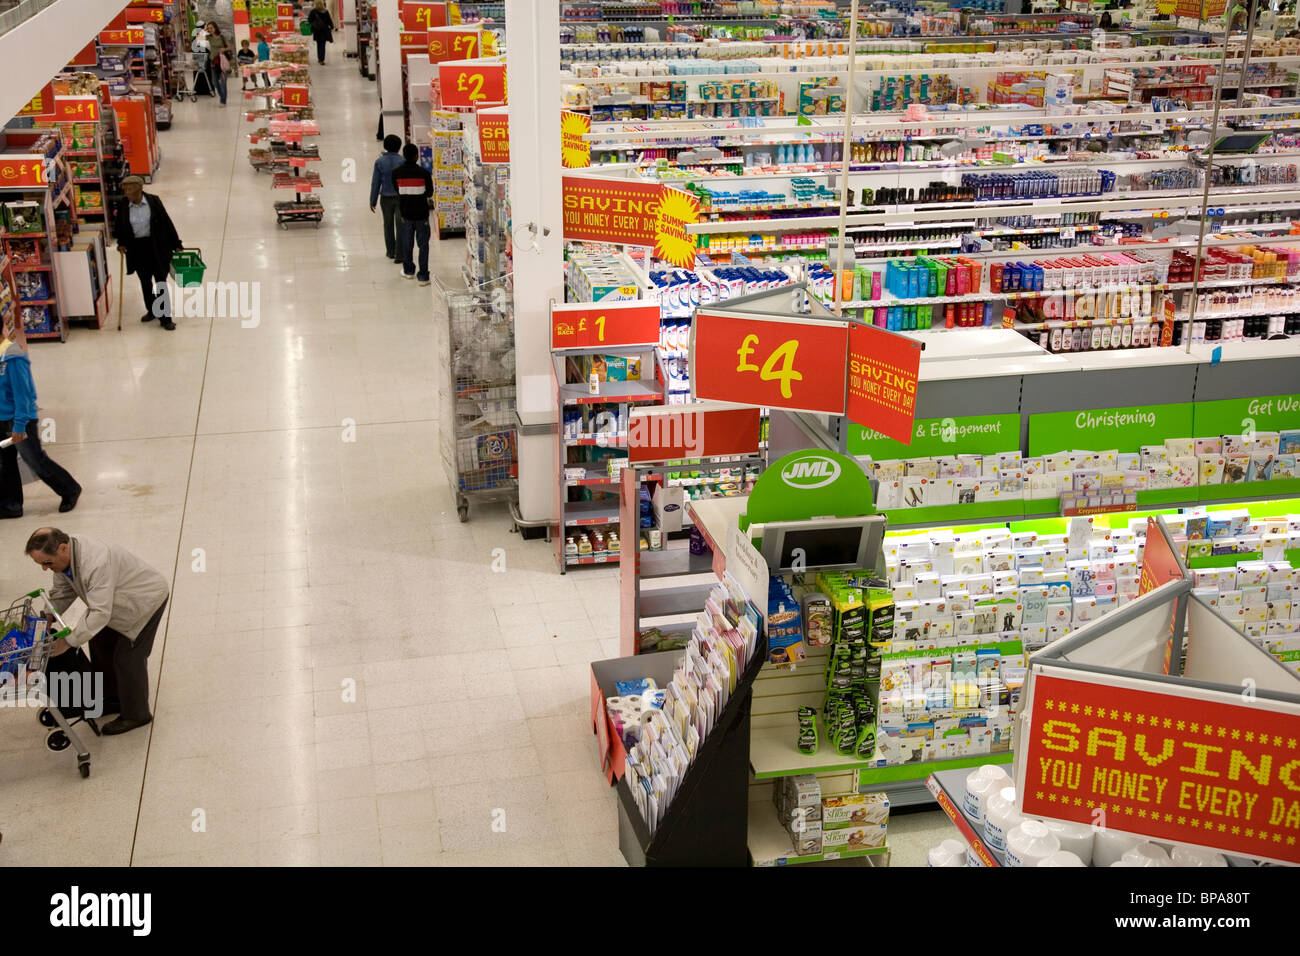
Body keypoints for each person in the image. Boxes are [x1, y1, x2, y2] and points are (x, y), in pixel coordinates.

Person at [26, 528, 170, 735]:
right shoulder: (64, 561)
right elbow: (63, 591)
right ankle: (112, 699)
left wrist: (67, 642)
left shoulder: (96, 560)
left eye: (46, 563)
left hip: (143, 601)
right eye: (40, 564)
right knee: (99, 644)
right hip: (113, 603)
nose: (44, 568)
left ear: (63, 548)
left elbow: (101, 613)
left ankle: (136, 714)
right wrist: (47, 616)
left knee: (127, 657)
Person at [0, 316, 80, 517]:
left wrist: (19, 426)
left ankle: (69, 489)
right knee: (5, 463)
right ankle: (11, 505)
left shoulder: (12, 357)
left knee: (34, 460)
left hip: (19, 419)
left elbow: (24, 396)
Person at [112, 175, 182, 331]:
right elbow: (119, 228)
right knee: (145, 282)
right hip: (137, 249)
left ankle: (166, 319)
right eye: (125, 187)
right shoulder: (123, 205)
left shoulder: (154, 201)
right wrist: (121, 243)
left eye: (130, 187)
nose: (126, 190)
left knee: (161, 283)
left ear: (140, 188)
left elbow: (166, 222)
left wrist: (176, 243)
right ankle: (152, 310)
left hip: (157, 247)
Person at [392, 143, 433, 286]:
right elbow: (429, 193)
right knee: (423, 245)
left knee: (407, 243)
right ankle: (423, 276)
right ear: (417, 156)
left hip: (406, 214)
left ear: (404, 155)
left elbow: (397, 191)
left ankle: (408, 271)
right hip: (422, 215)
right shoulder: (424, 173)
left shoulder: (396, 173)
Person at [369, 135, 405, 262]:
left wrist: (373, 200)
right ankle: (400, 253)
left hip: (385, 197)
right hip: (401, 197)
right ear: (399, 147)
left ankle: (390, 251)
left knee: (388, 224)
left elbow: (375, 182)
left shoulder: (379, 162)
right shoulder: (402, 161)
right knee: (400, 225)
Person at [204, 21, 229, 106]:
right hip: (213, 61)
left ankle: (223, 100)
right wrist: (205, 29)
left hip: (221, 61)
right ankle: (222, 96)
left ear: (215, 28)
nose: (210, 30)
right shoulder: (208, 37)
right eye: (209, 28)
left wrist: (223, 49)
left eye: (211, 28)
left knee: (223, 82)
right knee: (215, 82)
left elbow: (229, 46)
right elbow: (198, 38)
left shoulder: (222, 37)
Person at [308, 0, 335, 65]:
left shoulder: (313, 11)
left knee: (318, 44)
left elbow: (309, 20)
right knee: (323, 45)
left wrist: (314, 23)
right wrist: (332, 27)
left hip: (317, 30)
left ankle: (320, 58)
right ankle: (321, 59)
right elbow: (329, 20)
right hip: (324, 30)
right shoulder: (326, 11)